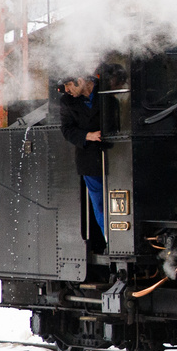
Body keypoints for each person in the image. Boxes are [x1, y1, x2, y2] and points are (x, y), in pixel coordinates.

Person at [58, 71, 108, 241]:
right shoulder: (67, 101)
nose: (66, 90)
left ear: (80, 80)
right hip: (89, 158)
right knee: (100, 203)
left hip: (115, 153)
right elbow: (67, 129)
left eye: (68, 85)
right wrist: (88, 135)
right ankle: (108, 238)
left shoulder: (106, 90)